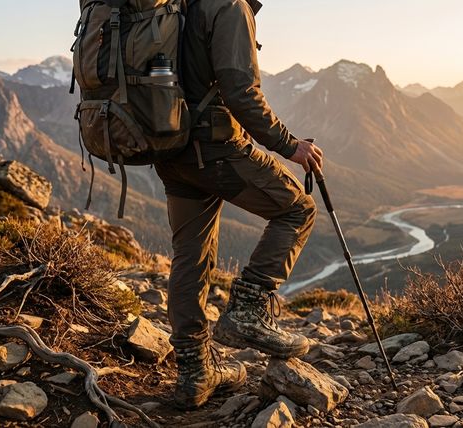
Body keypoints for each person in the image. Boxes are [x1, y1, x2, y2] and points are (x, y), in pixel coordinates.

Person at [154, 0, 324, 410]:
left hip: (170, 150)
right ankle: (248, 309)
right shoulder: (228, 6)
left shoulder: (174, 6)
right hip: (216, 150)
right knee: (297, 209)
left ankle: (195, 375)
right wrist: (290, 146)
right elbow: (242, 93)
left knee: (190, 257)